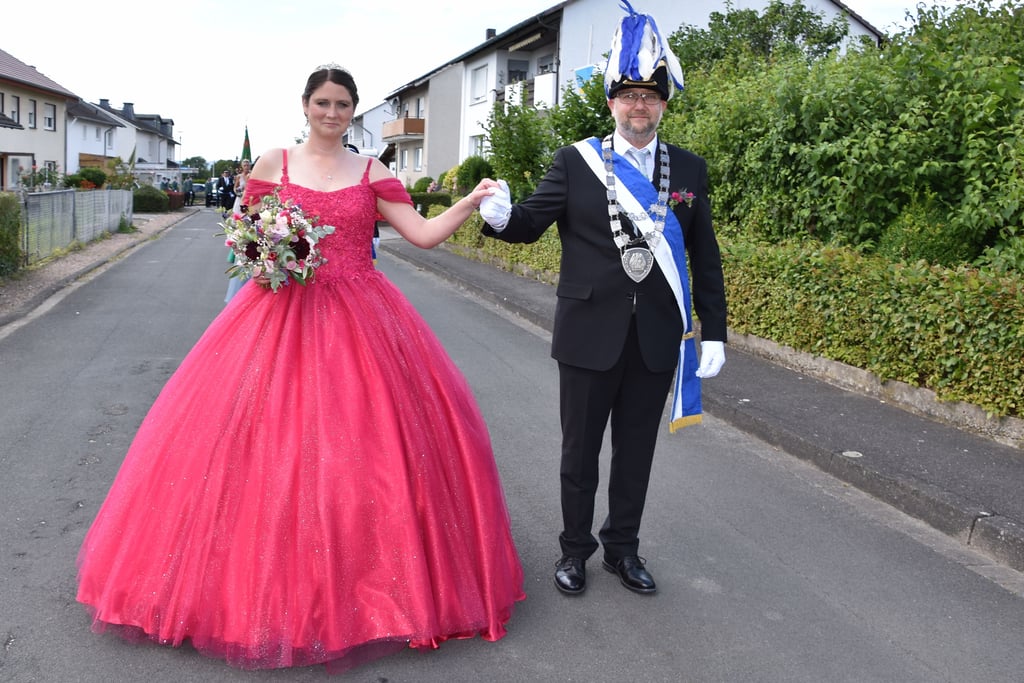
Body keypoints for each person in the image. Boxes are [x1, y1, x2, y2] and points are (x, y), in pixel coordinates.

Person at [76, 64, 524, 673]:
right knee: (262, 445)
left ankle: (366, 582)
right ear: (306, 106)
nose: (332, 112)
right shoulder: (272, 164)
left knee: (367, 448)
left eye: (342, 104)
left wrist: (469, 202)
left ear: (352, 110)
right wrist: (266, 258)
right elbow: (243, 236)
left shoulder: (374, 172)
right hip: (279, 310)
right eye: (323, 102)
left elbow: (420, 235)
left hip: (363, 313)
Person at [479, 3, 727, 597]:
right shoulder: (575, 160)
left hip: (656, 339)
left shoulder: (688, 168)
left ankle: (623, 549)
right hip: (589, 332)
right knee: (580, 455)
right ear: (611, 101)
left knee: (636, 453)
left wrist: (714, 329)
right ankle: (574, 552)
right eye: (628, 94)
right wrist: (498, 216)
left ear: (664, 102)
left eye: (649, 95)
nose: (638, 105)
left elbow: (706, 255)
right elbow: (530, 223)